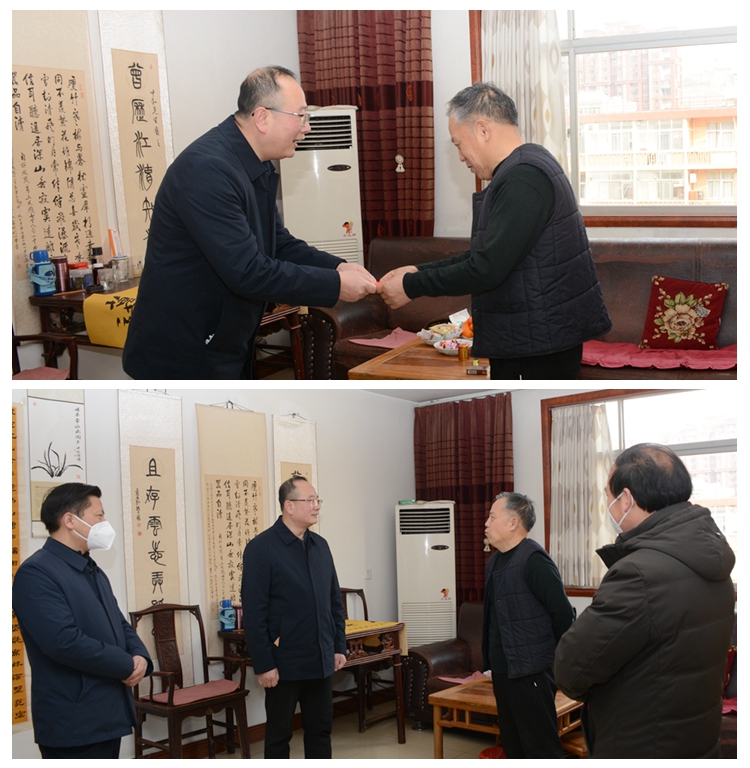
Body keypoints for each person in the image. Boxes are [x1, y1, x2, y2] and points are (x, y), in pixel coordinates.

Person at [123, 65, 377, 379]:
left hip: (225, 341)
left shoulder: (254, 164)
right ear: (262, 118)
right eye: (300, 117)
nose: (307, 128)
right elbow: (247, 272)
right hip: (183, 351)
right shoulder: (207, 170)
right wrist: (335, 285)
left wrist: (337, 267)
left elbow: (277, 243)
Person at [377, 82, 611, 380]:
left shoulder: (522, 179)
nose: (461, 157)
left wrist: (412, 286)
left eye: (458, 144)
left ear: (483, 130)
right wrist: (417, 270)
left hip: (537, 344)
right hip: (536, 336)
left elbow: (486, 269)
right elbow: (487, 255)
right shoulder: (528, 165)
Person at [554, 444, 735, 758]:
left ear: (626, 499)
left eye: (608, 495)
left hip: (642, 744)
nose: (608, 504)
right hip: (698, 739)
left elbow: (571, 670)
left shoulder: (638, 574)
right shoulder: (713, 561)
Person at [12, 483, 152, 759]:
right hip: (73, 720)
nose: (105, 522)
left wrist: (140, 656)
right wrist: (126, 664)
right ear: (69, 520)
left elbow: (119, 623)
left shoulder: (90, 568)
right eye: (99, 515)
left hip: (107, 712)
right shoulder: (37, 573)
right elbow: (63, 641)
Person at [241, 476, 347, 758]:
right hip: (283, 662)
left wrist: (338, 646)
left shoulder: (320, 546)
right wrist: (264, 664)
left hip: (320, 658)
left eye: (317, 500)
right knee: (279, 736)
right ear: (289, 506)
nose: (316, 506)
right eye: (310, 500)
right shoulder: (261, 548)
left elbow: (333, 601)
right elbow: (254, 613)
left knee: (320, 731)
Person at [483, 492, 574, 758]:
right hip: (503, 670)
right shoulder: (494, 560)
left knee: (540, 747)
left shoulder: (534, 560)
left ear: (513, 522)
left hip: (531, 671)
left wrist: (548, 660)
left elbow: (563, 615)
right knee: (513, 745)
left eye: (492, 517)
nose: (486, 523)